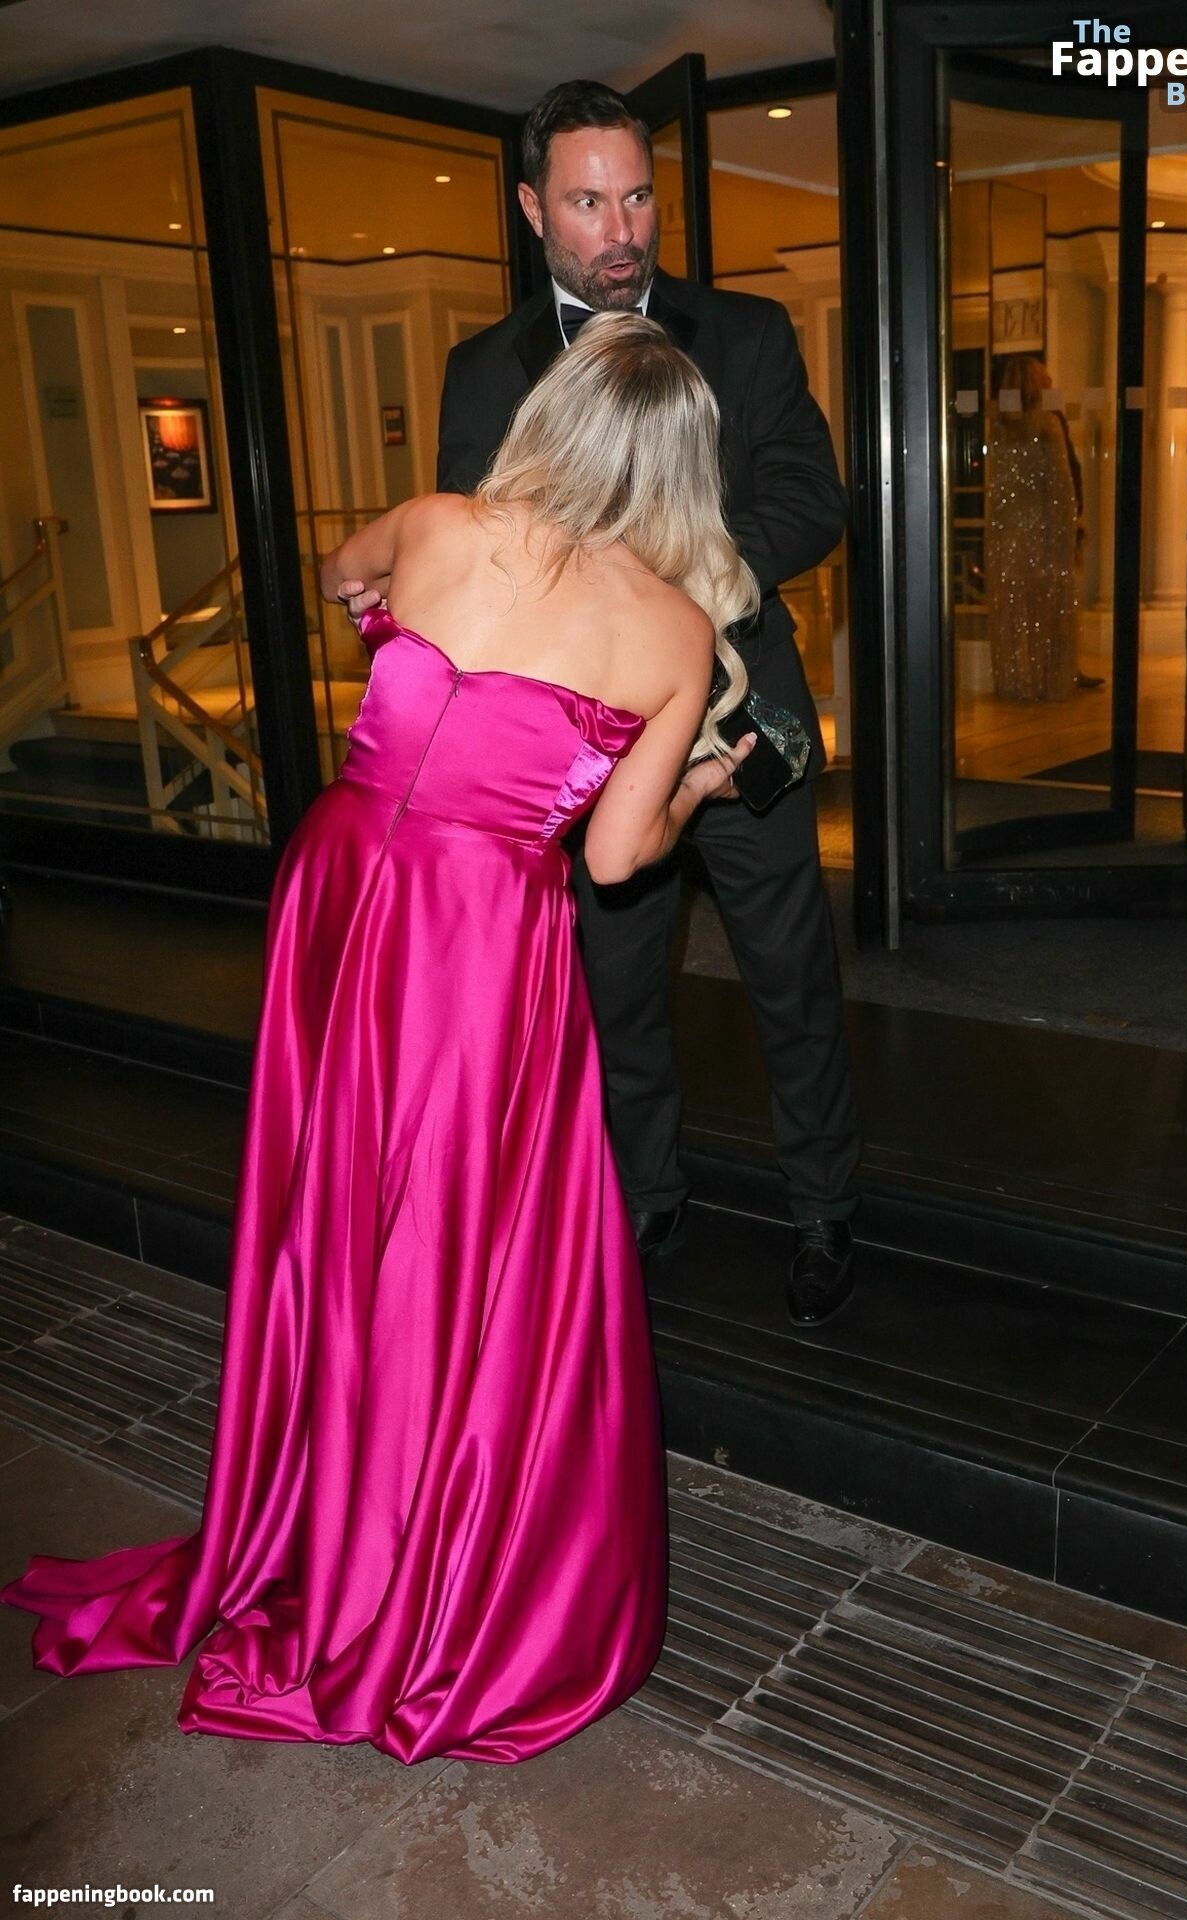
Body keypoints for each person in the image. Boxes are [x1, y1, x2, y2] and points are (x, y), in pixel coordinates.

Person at [0, 313, 758, 1766]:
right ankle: (423, 1555)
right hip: (479, 941)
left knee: (334, 1213)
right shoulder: (671, 632)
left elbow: (341, 576)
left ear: (553, 417)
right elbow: (616, 862)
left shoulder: (435, 523)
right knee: (454, 1240)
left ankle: (322, 1505)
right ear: (683, 471)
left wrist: (389, 633)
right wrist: (698, 791)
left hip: (342, 887)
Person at [340, 80, 862, 1327]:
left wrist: (678, 584)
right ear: (534, 209)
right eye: (587, 203)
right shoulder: (483, 369)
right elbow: (481, 543)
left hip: (738, 717)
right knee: (614, 986)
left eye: (636, 198)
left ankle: (823, 1211)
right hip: (577, 743)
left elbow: (813, 498)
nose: (620, 230)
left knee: (790, 975)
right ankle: (645, 1196)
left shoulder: (745, 333)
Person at [985, 355, 1096, 701]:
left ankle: (1018, 681)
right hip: (1043, 529)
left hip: (1008, 531)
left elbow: (997, 487)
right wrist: (1071, 527)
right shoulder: (1048, 423)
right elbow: (1061, 485)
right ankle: (1053, 678)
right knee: (1049, 609)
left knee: (1015, 610)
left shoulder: (998, 428)